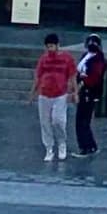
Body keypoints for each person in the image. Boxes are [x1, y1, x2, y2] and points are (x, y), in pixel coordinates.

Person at [32, 30, 77, 162]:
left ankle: (62, 143)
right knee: (45, 122)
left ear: (58, 45)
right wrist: (33, 93)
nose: (50, 49)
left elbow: (72, 76)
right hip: (44, 94)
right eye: (48, 46)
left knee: (58, 120)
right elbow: (38, 77)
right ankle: (49, 148)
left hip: (60, 94)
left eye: (52, 46)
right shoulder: (43, 59)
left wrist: (75, 92)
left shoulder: (67, 58)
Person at [73, 34, 107, 157]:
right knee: (82, 120)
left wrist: (82, 83)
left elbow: (94, 77)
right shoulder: (86, 56)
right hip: (82, 89)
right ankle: (90, 145)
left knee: (83, 120)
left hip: (89, 91)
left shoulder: (98, 59)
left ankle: (86, 147)